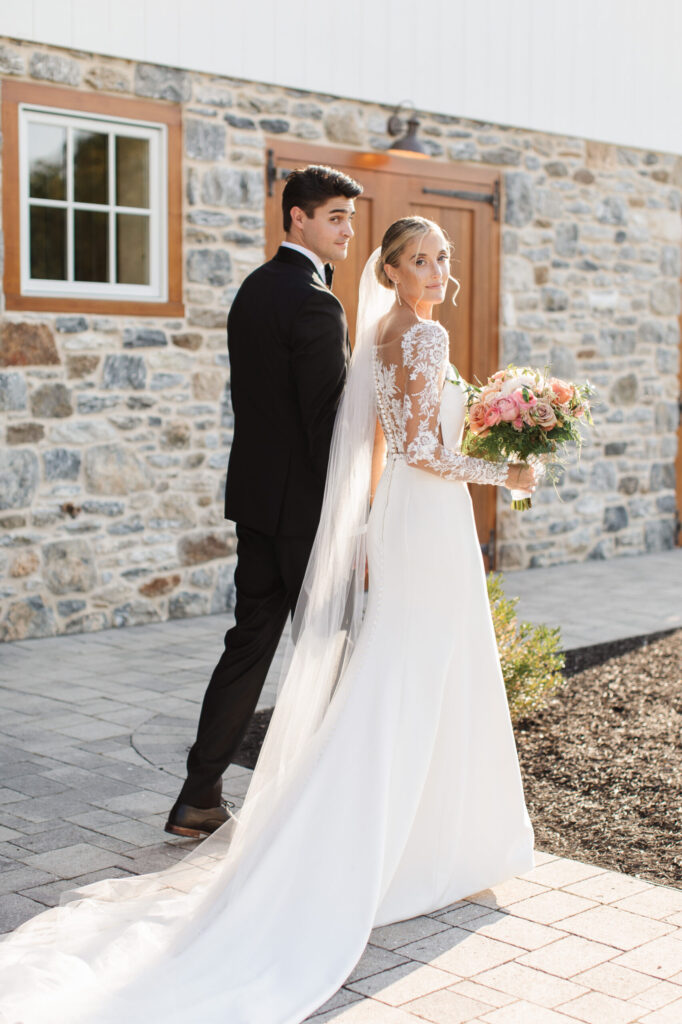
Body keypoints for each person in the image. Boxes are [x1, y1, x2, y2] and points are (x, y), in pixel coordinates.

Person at [0, 217, 536, 1024]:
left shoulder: (384, 333)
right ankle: (406, 849)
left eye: (442, 257)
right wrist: (508, 470)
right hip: (427, 522)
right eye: (419, 259)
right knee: (418, 673)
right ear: (390, 271)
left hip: (403, 519)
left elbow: (381, 448)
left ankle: (405, 836)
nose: (435, 269)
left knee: (404, 672)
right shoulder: (421, 336)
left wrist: (368, 524)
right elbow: (426, 452)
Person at [166, 164, 363, 838]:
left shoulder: (253, 288)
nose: (347, 229)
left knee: (248, 646)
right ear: (298, 218)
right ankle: (329, 805)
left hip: (256, 504)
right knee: (333, 649)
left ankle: (199, 795)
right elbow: (325, 424)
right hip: (306, 514)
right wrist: (353, 511)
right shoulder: (316, 302)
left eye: (349, 217)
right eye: (335, 217)